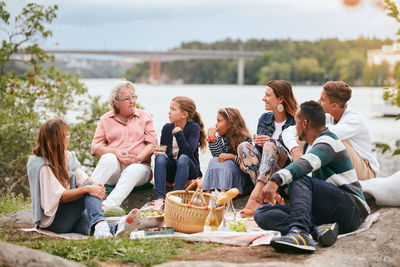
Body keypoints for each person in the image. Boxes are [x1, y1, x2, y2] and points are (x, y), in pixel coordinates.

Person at [254, 101, 370, 253]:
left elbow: (304, 165)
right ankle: (317, 230)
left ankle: (300, 233)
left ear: (304, 123)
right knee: (262, 214)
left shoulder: (328, 141)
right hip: (327, 213)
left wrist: (275, 180)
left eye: (296, 123)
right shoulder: (311, 145)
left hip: (351, 209)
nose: (295, 128)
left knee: (298, 176)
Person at [27, 119, 139, 238]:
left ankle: (115, 229)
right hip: (54, 222)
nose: (68, 138)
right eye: (67, 135)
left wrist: (95, 187)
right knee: (88, 189)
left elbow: (84, 180)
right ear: (58, 138)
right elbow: (61, 197)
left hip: (69, 218)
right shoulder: (41, 164)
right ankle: (101, 224)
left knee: (89, 225)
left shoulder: (65, 155)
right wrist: (88, 189)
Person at [90, 79, 157, 209]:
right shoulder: (105, 119)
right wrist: (115, 152)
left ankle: (107, 207)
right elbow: (95, 148)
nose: (132, 101)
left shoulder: (145, 117)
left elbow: (152, 145)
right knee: (108, 158)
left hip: (140, 168)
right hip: (115, 171)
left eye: (134, 97)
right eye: (127, 99)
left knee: (132, 169)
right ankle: (86, 198)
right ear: (116, 102)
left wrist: (137, 158)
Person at [237, 80, 299, 217]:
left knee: (271, 144)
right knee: (243, 146)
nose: (263, 98)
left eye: (268, 95)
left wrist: (273, 142)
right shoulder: (264, 119)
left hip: (285, 178)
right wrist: (245, 159)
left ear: (281, 98)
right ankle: (272, 197)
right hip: (266, 177)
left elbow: (296, 155)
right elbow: (259, 155)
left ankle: (256, 196)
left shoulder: (296, 121)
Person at [152, 96, 207, 209]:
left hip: (190, 169)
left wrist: (179, 134)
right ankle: (160, 199)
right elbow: (165, 152)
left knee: (183, 158)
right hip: (173, 172)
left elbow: (188, 152)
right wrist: (158, 152)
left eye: (173, 109)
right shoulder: (167, 128)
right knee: (160, 158)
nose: (169, 112)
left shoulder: (194, 128)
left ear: (184, 114)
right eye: (169, 108)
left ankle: (175, 198)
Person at [202, 108, 253, 194]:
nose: (216, 124)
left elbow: (247, 165)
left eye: (219, 121)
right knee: (213, 160)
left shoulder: (245, 139)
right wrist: (212, 140)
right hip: (226, 174)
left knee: (227, 163)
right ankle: (207, 194)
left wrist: (232, 157)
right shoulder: (221, 139)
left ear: (230, 123)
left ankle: (223, 194)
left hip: (241, 177)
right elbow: (218, 156)